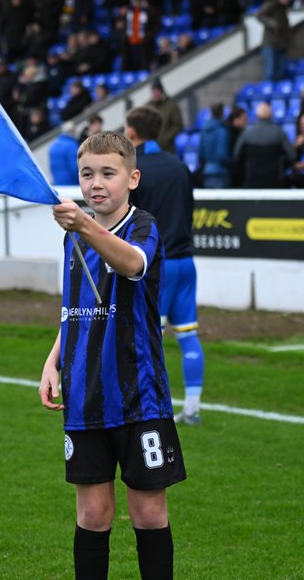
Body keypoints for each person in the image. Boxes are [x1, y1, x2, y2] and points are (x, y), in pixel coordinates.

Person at [40, 131, 186, 580]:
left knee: (147, 512)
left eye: (108, 173)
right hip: (85, 397)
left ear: (132, 178)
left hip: (140, 398)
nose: (96, 183)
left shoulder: (143, 227)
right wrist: (54, 360)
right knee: (93, 514)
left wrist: (85, 224)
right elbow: (78, 308)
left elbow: (132, 265)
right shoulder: (73, 238)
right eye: (87, 174)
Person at [125, 107, 204, 426]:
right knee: (187, 335)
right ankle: (193, 409)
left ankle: (149, 409)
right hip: (186, 262)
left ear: (132, 133)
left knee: (146, 339)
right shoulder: (180, 166)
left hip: (157, 266)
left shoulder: (135, 170)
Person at [233, 102, 296, 188]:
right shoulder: (279, 133)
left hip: (252, 180)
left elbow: (237, 155)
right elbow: (292, 155)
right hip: (274, 181)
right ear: (271, 116)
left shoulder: (247, 133)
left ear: (256, 116)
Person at [256, 0, 291, 82]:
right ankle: (266, 92)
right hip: (270, 43)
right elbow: (259, 15)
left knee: (280, 73)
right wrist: (272, 23)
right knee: (270, 71)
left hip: (281, 44)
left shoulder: (284, 9)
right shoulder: (272, 5)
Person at [196, 103, 232, 189]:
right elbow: (222, 155)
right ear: (222, 114)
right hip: (221, 174)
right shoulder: (223, 131)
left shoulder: (204, 131)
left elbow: (201, 156)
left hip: (207, 172)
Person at [148, 82, 185, 153]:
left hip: (168, 148)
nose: (155, 94)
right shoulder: (149, 106)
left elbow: (178, 125)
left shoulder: (171, 105)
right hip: (152, 148)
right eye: (153, 92)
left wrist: (166, 138)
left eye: (157, 91)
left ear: (161, 92)